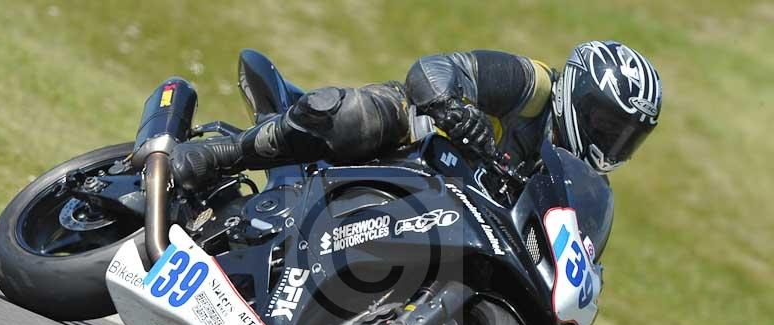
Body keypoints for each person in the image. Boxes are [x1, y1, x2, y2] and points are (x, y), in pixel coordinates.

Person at [170, 40, 662, 195]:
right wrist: (453, 108)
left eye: (626, 138)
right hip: (411, 135)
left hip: (446, 209)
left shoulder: (575, 182)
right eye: (605, 124)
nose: (610, 143)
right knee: (354, 116)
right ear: (577, 95)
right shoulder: (533, 87)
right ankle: (224, 152)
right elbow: (434, 70)